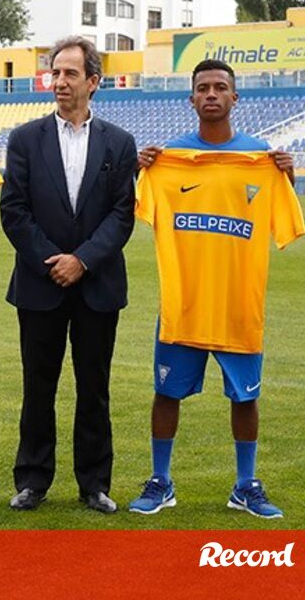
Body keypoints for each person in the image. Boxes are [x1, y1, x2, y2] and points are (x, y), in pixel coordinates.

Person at [128, 59, 299, 518]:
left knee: (246, 396)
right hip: (183, 304)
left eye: (220, 87)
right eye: (202, 87)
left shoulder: (263, 161)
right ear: (191, 99)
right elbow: (136, 207)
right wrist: (143, 169)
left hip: (238, 305)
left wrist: (284, 177)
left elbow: (285, 225)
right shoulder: (168, 159)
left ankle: (246, 484)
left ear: (234, 98)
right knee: (166, 393)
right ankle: (160, 480)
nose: (211, 94)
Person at [0, 36, 137, 513]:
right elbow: (14, 211)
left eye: (70, 73)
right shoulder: (25, 139)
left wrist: (83, 260)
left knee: (94, 389)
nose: (59, 81)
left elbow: (122, 214)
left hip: (98, 285)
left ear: (93, 81)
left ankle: (94, 483)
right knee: (38, 387)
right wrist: (54, 261)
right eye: (55, 73)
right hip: (40, 284)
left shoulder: (119, 142)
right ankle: (33, 480)